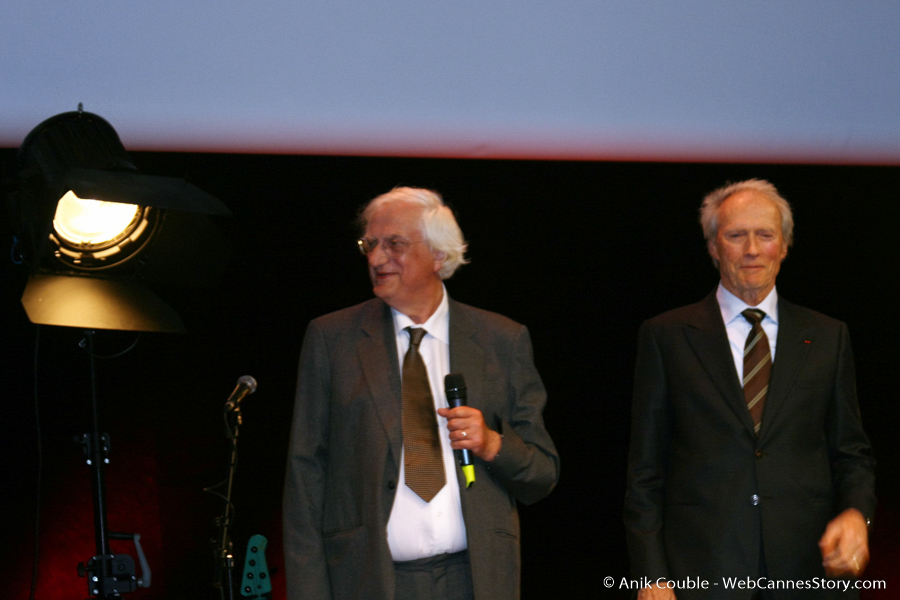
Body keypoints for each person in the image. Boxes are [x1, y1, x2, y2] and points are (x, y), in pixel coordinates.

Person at [283, 187, 559, 600]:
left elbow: (542, 474)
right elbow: (305, 478)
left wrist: (492, 444)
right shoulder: (332, 339)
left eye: (393, 244)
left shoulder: (501, 339)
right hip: (371, 581)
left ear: (439, 255)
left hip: (477, 579)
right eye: (370, 244)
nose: (376, 259)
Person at [624, 179, 876, 599]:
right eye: (736, 235)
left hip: (806, 572)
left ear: (785, 244)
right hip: (701, 571)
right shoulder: (667, 336)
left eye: (765, 235)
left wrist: (856, 515)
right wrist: (651, 575)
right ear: (713, 246)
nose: (753, 249)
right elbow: (645, 470)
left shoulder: (828, 337)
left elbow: (851, 453)